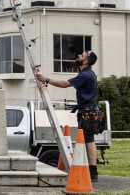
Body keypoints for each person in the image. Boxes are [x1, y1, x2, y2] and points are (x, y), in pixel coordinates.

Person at [36, 50, 100, 181]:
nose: (78, 55)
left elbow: (65, 84)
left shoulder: (86, 75)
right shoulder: (86, 73)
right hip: (87, 110)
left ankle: (93, 172)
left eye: (81, 55)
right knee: (88, 139)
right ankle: (90, 169)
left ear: (86, 61)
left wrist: (46, 79)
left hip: (87, 111)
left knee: (89, 140)